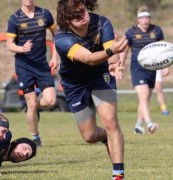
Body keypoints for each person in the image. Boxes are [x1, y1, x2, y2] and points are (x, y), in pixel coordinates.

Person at [54, 0, 127, 179]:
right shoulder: (62, 38)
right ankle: (104, 137)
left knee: (111, 122)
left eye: (83, 11)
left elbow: (111, 51)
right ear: (67, 20)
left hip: (100, 76)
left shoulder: (102, 23)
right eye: (76, 16)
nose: (83, 17)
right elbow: (89, 59)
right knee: (89, 135)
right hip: (75, 84)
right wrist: (110, 54)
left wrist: (113, 64)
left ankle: (118, 174)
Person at [6, 0, 59, 147]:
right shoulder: (15, 18)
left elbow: (57, 35)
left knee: (50, 101)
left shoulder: (44, 14)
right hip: (24, 67)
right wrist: (22, 49)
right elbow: (9, 44)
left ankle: (36, 107)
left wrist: (55, 56)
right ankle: (36, 138)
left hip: (42, 66)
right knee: (31, 104)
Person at [119, 5, 164, 134]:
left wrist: (165, 67)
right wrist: (121, 64)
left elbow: (163, 50)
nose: (145, 20)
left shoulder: (157, 30)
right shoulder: (131, 32)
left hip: (153, 68)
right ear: (138, 19)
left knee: (145, 98)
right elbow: (124, 50)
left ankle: (138, 126)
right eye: (143, 18)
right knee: (143, 95)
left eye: (147, 17)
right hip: (137, 68)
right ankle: (149, 123)